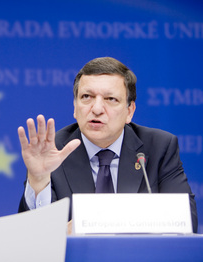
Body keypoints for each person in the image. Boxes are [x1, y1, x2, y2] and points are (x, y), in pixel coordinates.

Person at [17, 57, 198, 233]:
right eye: (87, 97)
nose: (96, 109)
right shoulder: (52, 150)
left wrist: (102, 223)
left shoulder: (159, 147)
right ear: (75, 106)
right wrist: (39, 180)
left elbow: (186, 223)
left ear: (129, 111)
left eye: (111, 99)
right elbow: (33, 239)